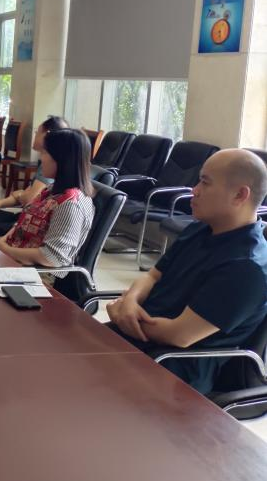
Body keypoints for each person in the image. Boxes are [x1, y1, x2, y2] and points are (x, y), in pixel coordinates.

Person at [105, 149, 267, 394]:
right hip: (139, 341)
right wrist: (130, 301)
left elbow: (180, 335)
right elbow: (153, 275)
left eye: (204, 182)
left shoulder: (247, 266)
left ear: (239, 195)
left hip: (174, 369)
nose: (194, 190)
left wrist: (122, 315)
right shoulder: (200, 229)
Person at [0, 128, 94, 271]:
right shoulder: (52, 189)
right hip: (14, 260)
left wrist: (6, 250)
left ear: (62, 159)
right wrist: (1, 243)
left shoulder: (70, 204)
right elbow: (23, 225)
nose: (41, 159)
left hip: (38, 275)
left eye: (44, 153)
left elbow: (52, 257)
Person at [0, 116, 70, 237]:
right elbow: (29, 196)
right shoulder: (47, 162)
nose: (35, 135)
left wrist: (20, 194)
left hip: (27, 223)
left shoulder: (51, 165)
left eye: (37, 131)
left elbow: (29, 199)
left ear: (47, 134)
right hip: (24, 216)